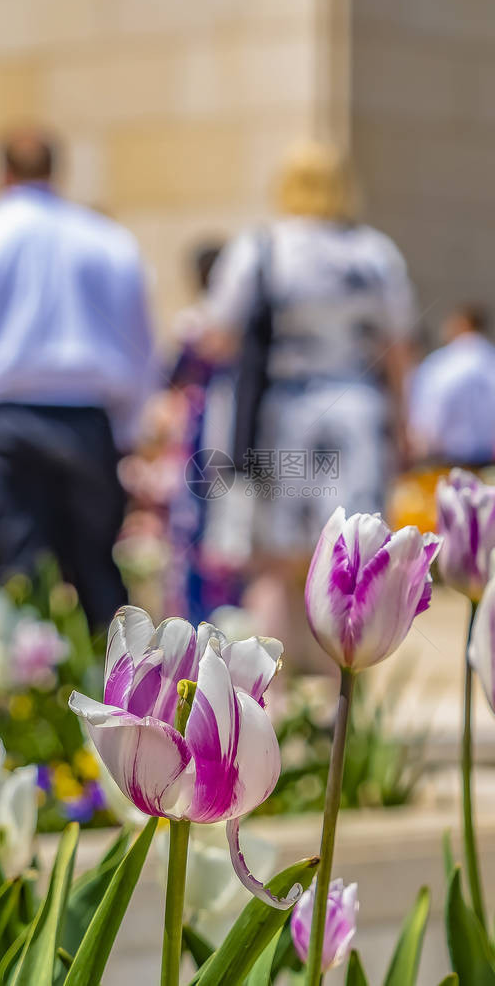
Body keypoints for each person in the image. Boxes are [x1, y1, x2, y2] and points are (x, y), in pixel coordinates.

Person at [199, 142, 415, 665]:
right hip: (357, 419)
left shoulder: (260, 248)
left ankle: (268, 699)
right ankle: (337, 700)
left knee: (271, 563)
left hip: (281, 415)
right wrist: (405, 428)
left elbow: (217, 335)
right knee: (350, 564)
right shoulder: (375, 253)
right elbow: (399, 349)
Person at [0, 129, 156, 628]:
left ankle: (26, 698)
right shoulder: (106, 240)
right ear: (56, 171)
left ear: (3, 172)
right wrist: (130, 430)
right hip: (85, 422)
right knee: (97, 567)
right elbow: (140, 343)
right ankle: (118, 691)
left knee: (17, 574)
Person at [409, 302, 495, 466]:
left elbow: (429, 412)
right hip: (492, 458)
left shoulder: (442, 363)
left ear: (462, 323)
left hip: (447, 457)